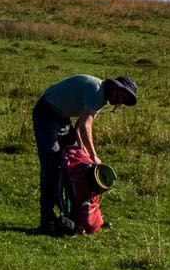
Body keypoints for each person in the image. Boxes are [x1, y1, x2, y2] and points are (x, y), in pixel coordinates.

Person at [31, 74, 136, 234]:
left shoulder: (101, 99)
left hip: (63, 119)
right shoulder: (96, 91)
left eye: (125, 99)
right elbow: (86, 125)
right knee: (50, 168)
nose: (121, 100)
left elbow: (80, 125)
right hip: (46, 116)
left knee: (79, 167)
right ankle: (46, 220)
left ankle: (81, 217)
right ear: (114, 87)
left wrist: (82, 150)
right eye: (122, 94)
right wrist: (93, 156)